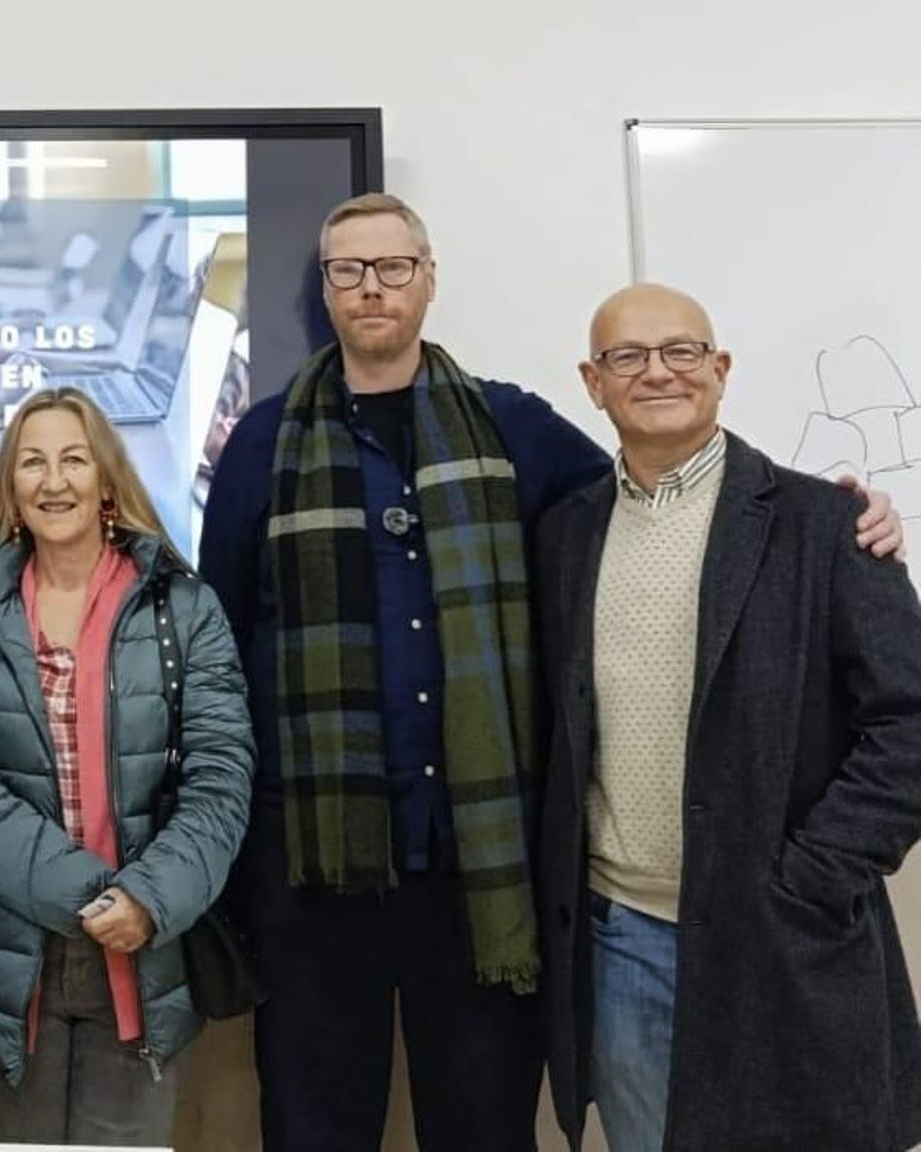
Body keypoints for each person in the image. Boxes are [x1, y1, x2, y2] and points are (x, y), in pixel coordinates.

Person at [196, 193, 906, 1152]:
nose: (372, 287)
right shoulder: (261, 444)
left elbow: (671, 482)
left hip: (483, 867)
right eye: (347, 269)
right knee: (313, 1128)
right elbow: (224, 644)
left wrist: (836, 508)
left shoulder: (514, 428)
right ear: (324, 289)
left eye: (394, 266)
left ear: (428, 279)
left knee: (485, 1128)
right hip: (314, 867)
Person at [535, 283, 921, 1152]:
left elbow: (910, 723)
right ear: (593, 383)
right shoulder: (565, 535)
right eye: (628, 356)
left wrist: (814, 876)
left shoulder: (827, 524)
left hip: (782, 936)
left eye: (681, 350)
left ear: (720, 369)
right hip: (621, 942)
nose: (657, 372)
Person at [0, 386, 254, 1147]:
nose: (54, 480)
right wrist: (90, 896)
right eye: (32, 462)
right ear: (10, 485)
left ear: (105, 478)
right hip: (4, 959)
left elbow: (222, 774)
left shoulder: (184, 608)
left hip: (143, 949)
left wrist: (147, 900)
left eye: (73, 459)